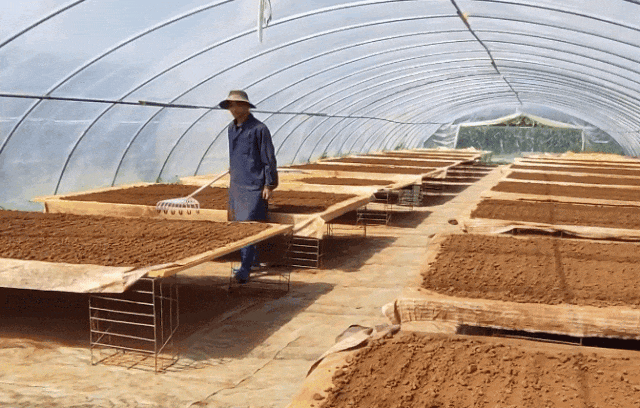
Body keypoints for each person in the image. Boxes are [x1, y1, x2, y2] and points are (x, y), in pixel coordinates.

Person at [219, 90, 278, 284]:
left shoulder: (259, 129)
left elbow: (268, 158)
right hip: (237, 183)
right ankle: (252, 260)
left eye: (237, 105)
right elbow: (234, 153)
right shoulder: (231, 128)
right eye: (231, 105)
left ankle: (245, 267)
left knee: (249, 224)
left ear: (246, 107)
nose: (233, 109)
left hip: (254, 184)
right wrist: (233, 167)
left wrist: (269, 184)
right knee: (239, 224)